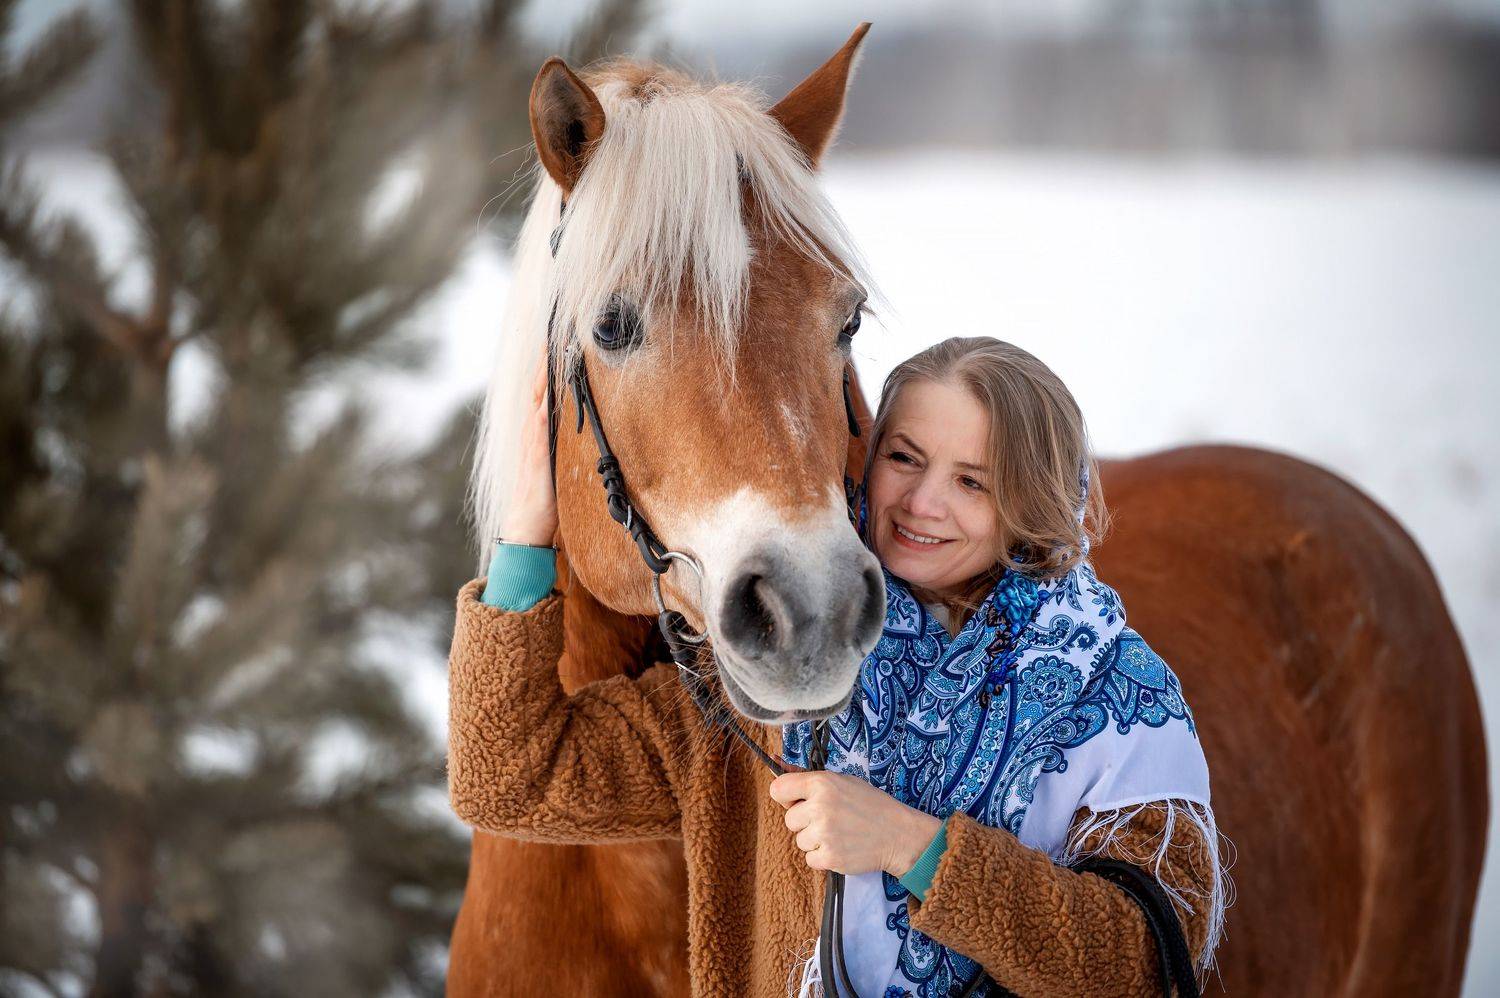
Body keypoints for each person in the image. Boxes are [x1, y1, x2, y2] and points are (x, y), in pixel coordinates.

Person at [448, 336, 1228, 997]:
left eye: (972, 482)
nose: (922, 503)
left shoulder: (1119, 696)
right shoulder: (769, 672)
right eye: (904, 457)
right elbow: (507, 776)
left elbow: (1143, 966)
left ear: (1035, 500)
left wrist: (916, 849)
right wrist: (526, 538)